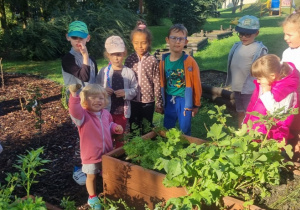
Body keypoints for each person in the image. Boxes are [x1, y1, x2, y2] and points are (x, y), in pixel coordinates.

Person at [68, 83, 123, 210]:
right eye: (93, 97)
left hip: (107, 152)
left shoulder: (105, 114)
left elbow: (109, 125)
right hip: (91, 155)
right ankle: (92, 197)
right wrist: (74, 95)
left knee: (107, 174)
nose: (97, 100)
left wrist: (115, 128)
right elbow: (74, 111)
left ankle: (108, 192)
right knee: (91, 176)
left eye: (100, 98)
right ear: (85, 100)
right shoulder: (83, 116)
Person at [62, 20, 98, 186]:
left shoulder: (93, 61)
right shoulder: (68, 59)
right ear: (68, 37)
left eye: (82, 38)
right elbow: (83, 77)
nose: (79, 41)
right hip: (77, 105)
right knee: (79, 138)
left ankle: (92, 164)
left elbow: (93, 82)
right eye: (75, 37)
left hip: (91, 105)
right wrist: (84, 56)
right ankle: (78, 169)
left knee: (91, 136)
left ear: (88, 38)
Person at [243, 54, 299, 144]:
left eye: (259, 78)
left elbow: (279, 113)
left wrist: (266, 92)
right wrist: (246, 123)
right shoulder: (265, 84)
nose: (257, 81)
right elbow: (253, 105)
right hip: (257, 130)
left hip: (272, 135)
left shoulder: (286, 89)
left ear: (272, 76)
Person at [158, 24, 202, 136]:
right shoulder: (163, 62)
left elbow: (196, 84)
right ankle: (168, 148)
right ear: (167, 40)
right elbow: (160, 83)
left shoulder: (190, 62)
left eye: (181, 39)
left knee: (185, 128)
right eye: (173, 38)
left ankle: (186, 149)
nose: (177, 42)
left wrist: (196, 104)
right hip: (169, 100)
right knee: (167, 127)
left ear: (185, 42)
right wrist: (160, 101)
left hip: (184, 101)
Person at [225, 15, 268, 127]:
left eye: (247, 34)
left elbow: (264, 71)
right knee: (240, 112)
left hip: (250, 90)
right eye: (241, 33)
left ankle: (251, 137)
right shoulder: (237, 46)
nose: (243, 37)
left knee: (251, 114)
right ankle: (241, 134)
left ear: (256, 33)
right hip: (237, 88)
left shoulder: (259, 49)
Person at [96, 35, 138, 147]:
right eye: (113, 55)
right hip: (106, 111)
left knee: (120, 136)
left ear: (124, 54)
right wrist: (103, 91)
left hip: (121, 112)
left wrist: (126, 92)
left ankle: (118, 157)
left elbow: (135, 89)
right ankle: (108, 157)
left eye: (119, 54)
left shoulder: (128, 72)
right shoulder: (103, 72)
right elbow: (96, 88)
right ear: (107, 55)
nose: (116, 58)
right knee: (106, 135)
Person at [124, 20, 163, 134]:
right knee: (134, 126)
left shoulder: (152, 60)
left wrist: (159, 102)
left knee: (147, 128)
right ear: (132, 42)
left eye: (143, 42)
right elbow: (125, 79)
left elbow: (157, 82)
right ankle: (134, 148)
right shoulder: (130, 59)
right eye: (136, 43)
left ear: (149, 42)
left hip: (148, 101)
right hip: (133, 100)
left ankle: (147, 148)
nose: (139, 46)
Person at [281, 9, 300, 160]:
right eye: (285, 34)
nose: (285, 38)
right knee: (292, 125)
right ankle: (292, 154)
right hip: (291, 98)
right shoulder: (287, 52)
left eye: (289, 35)